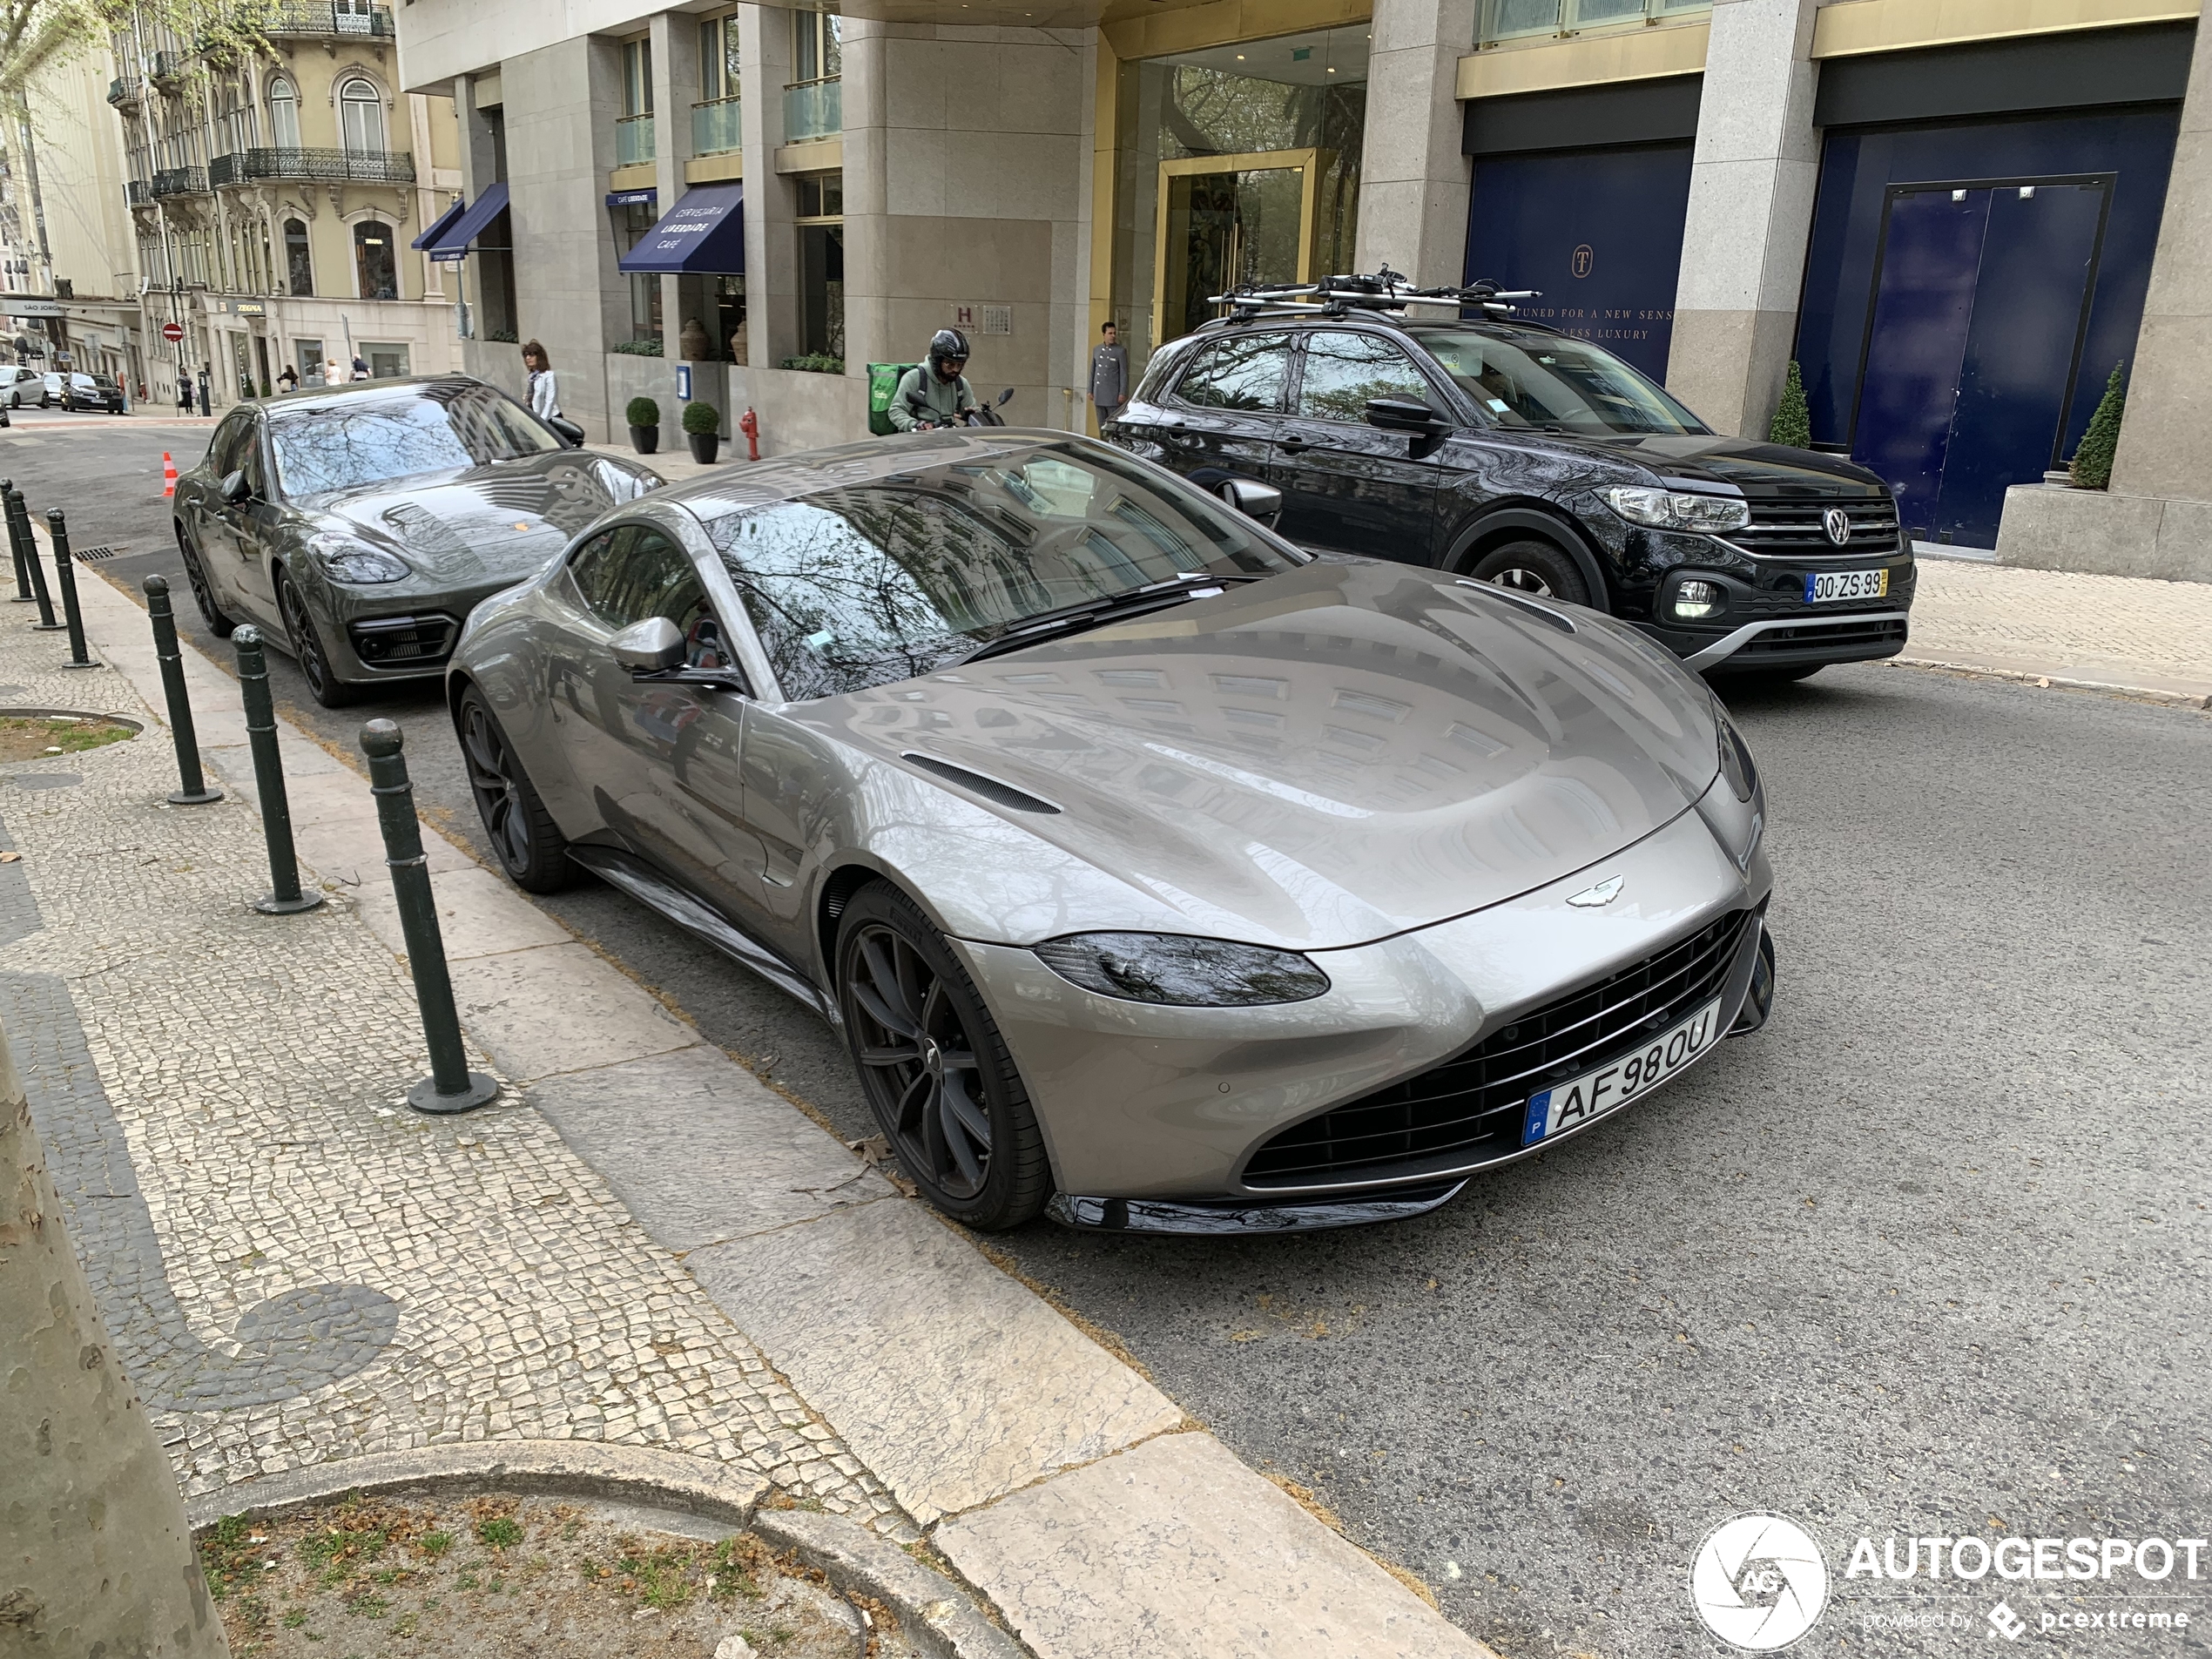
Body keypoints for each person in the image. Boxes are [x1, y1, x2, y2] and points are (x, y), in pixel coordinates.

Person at [887, 329, 978, 432]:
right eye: (950, 364)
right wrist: (915, 424)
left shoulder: (961, 384)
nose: (955, 370)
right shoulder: (914, 378)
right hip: (918, 440)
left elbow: (973, 410)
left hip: (949, 438)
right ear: (937, 360)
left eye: (960, 365)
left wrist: (971, 415)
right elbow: (896, 411)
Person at [1089, 320, 1128, 432]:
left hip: (1112, 394)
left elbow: (1123, 373)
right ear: (1104, 334)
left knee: (1112, 426)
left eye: (1114, 333)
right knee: (1101, 425)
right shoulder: (1097, 349)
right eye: (1110, 333)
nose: (1113, 336)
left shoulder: (1120, 351)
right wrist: (1090, 390)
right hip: (1099, 392)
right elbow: (1093, 370)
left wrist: (1122, 392)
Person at [523, 340, 559, 421]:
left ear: (539, 357)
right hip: (537, 417)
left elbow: (550, 401)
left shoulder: (549, 375)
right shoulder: (532, 376)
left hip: (550, 418)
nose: (528, 358)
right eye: (526, 355)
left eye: (531, 355)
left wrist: (542, 421)